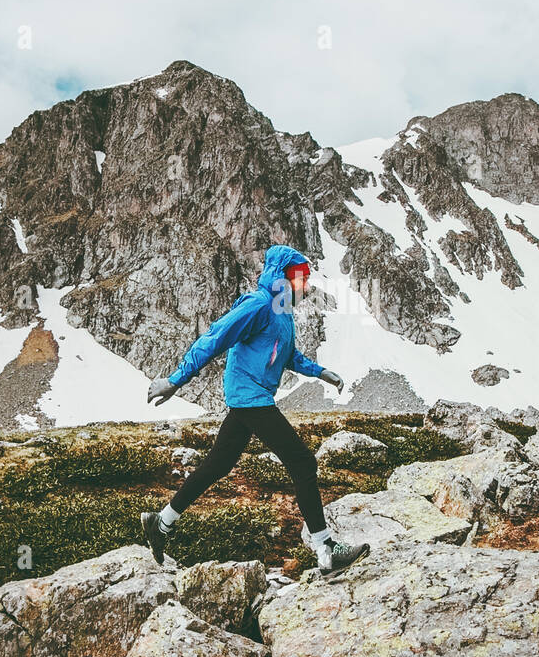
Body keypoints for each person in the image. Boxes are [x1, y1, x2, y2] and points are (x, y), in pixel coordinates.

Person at [141, 243, 370, 577]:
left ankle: (160, 524)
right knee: (302, 462)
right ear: (283, 278)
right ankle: (326, 548)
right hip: (251, 398)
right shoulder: (258, 304)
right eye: (300, 279)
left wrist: (321, 372)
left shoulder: (282, 315)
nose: (306, 286)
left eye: (306, 279)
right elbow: (215, 337)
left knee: (217, 465)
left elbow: (290, 357)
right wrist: (176, 380)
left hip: (252, 398)